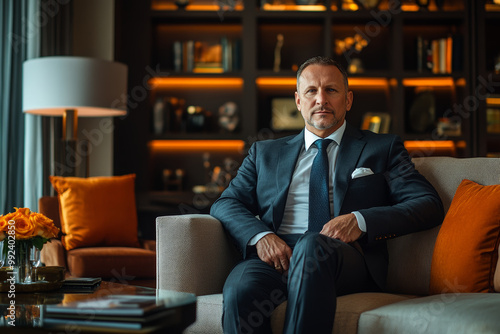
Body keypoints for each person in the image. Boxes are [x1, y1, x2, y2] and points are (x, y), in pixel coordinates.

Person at [210, 56, 444, 334]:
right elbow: (226, 203)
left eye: (331, 90)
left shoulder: (383, 147)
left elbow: (428, 204)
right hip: (278, 255)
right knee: (240, 287)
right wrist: (262, 237)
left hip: (343, 258)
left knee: (313, 246)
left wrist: (359, 220)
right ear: (298, 101)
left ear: (348, 100)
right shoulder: (265, 153)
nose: (321, 99)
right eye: (311, 91)